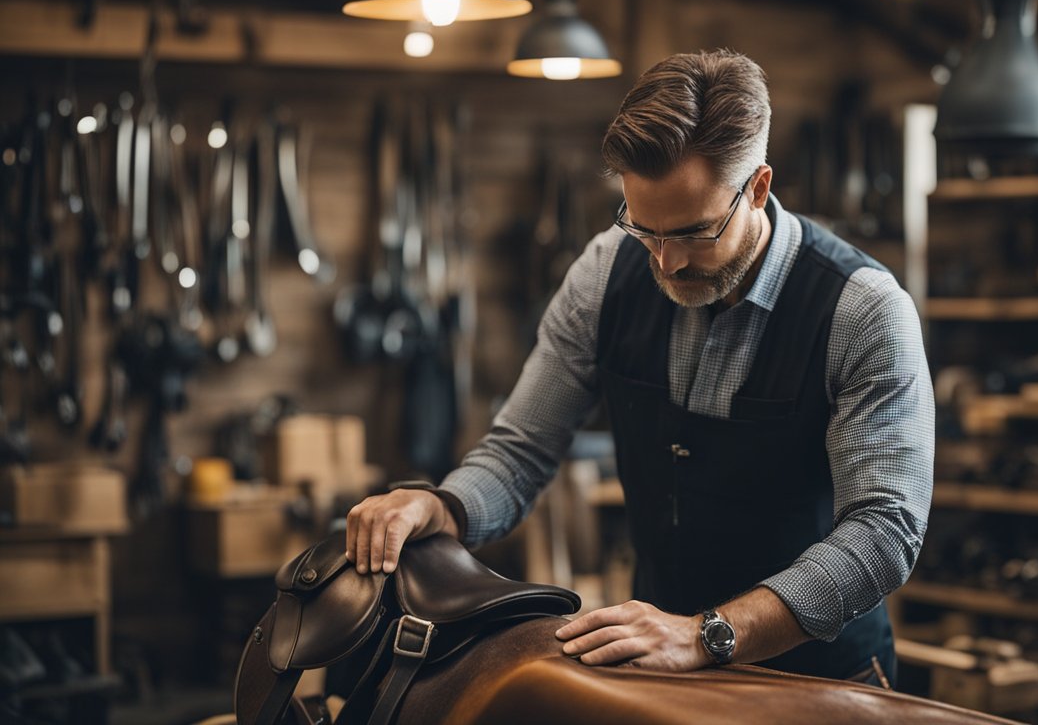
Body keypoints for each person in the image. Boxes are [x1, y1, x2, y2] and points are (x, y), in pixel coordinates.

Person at [345, 49, 933, 685]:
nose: (667, 264)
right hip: (661, 667)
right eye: (644, 230)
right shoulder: (605, 273)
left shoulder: (862, 310)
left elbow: (883, 531)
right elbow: (520, 450)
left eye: (694, 233)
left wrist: (709, 633)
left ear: (758, 187)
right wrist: (443, 508)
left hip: (820, 680)